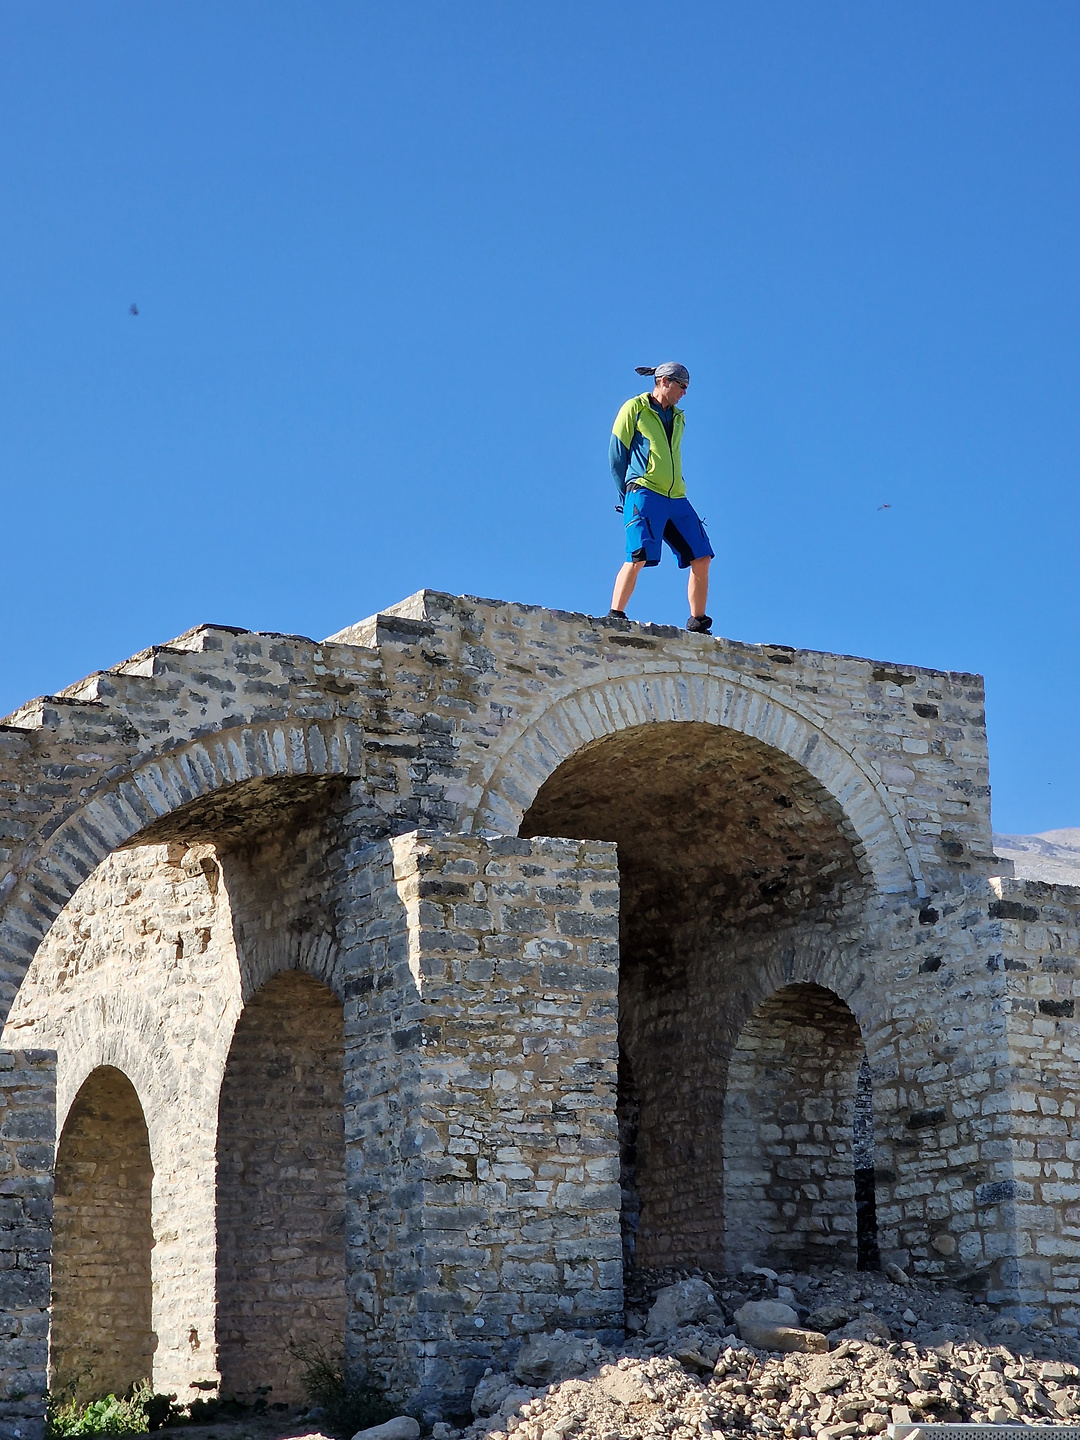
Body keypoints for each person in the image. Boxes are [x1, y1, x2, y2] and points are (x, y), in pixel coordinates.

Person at [607, 362, 714, 633]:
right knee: (638, 554)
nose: (685, 393)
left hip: (676, 496)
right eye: (682, 386)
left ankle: (698, 622)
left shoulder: (679, 417)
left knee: (702, 555)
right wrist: (628, 495)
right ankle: (615, 615)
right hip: (643, 491)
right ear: (664, 381)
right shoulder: (635, 408)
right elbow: (617, 454)